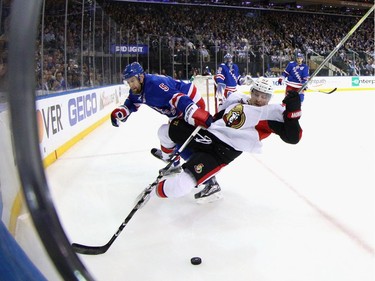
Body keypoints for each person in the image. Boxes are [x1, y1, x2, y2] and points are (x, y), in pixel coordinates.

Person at [139, 77, 303, 204]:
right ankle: (171, 162)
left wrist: (293, 112)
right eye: (257, 94)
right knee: (165, 131)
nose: (260, 99)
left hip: (223, 152)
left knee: (181, 186)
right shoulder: (237, 98)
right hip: (208, 134)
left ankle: (151, 192)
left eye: (264, 96)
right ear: (251, 91)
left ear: (269, 97)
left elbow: (293, 137)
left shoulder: (271, 113)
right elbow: (217, 117)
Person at [111, 62, 220, 189]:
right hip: (177, 111)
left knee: (181, 143)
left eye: (132, 81)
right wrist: (121, 112)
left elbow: (178, 98)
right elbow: (132, 102)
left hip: (190, 104)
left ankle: (210, 181)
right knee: (166, 134)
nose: (131, 85)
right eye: (128, 82)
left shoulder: (155, 85)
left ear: (141, 77)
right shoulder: (137, 90)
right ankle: (173, 162)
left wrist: (195, 113)